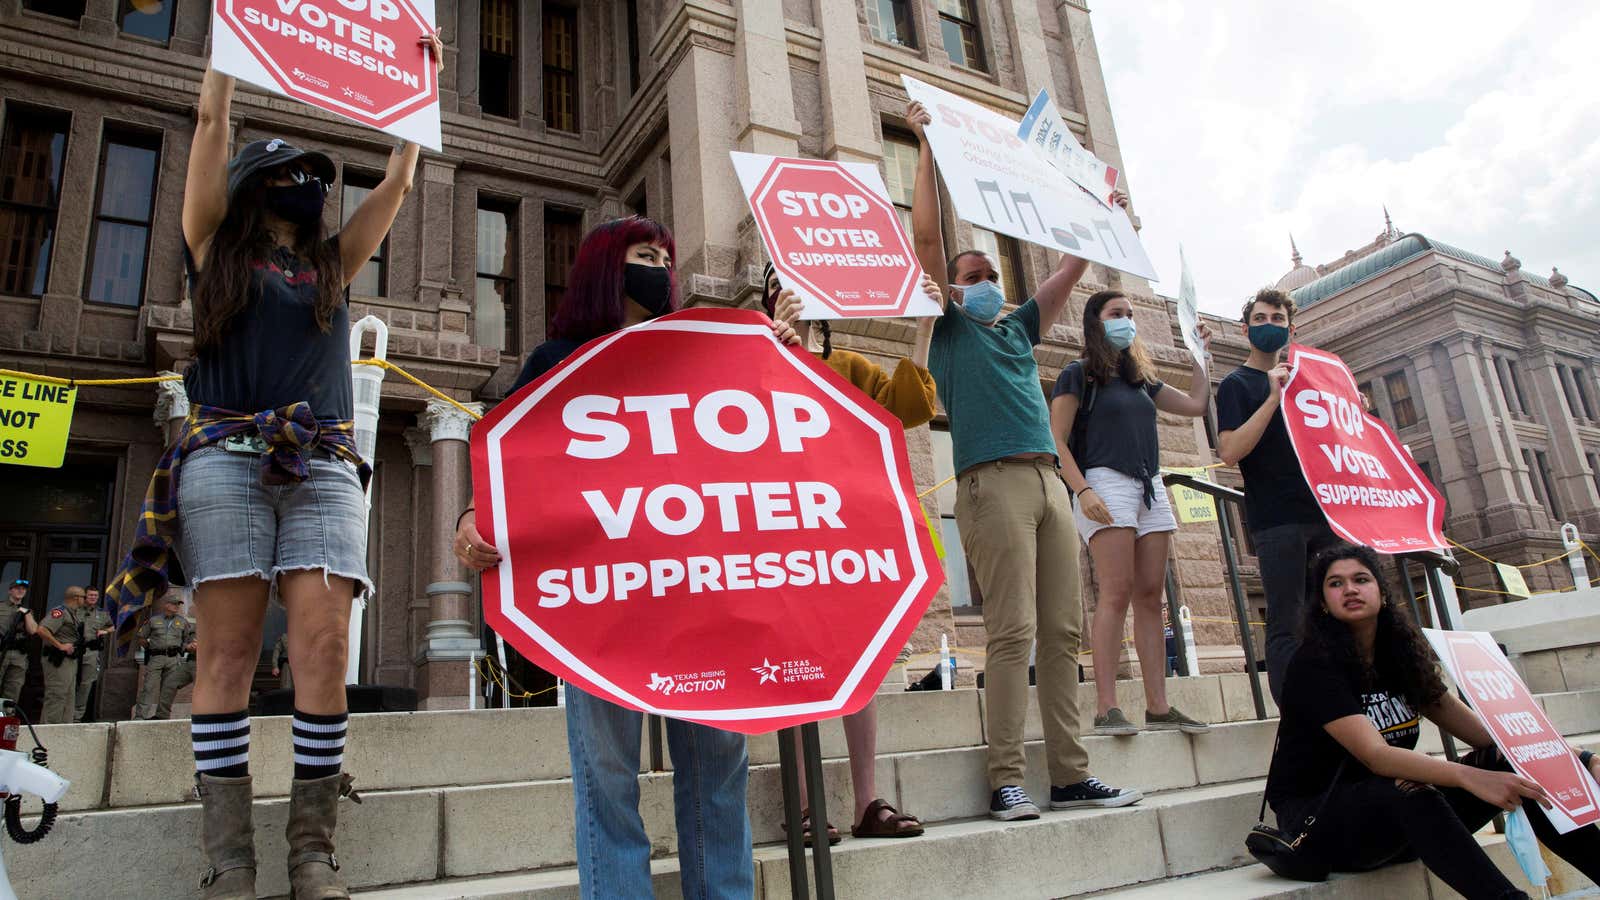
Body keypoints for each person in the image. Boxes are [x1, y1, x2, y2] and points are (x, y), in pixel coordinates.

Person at [100, 35, 442, 900]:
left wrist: (417, 93)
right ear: (258, 182)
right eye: (294, 173)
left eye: (318, 179)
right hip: (223, 456)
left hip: (322, 458)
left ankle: (311, 850)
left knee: (324, 644)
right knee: (228, 652)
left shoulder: (332, 266)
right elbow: (212, 116)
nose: (311, 189)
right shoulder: (212, 242)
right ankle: (230, 858)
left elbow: (397, 183)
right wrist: (227, 40)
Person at [452, 216, 796, 899]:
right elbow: (511, 465)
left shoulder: (701, 354)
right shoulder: (555, 362)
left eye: (666, 258)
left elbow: (758, 448)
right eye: (645, 255)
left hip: (700, 596)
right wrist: (471, 519)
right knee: (606, 776)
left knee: (718, 770)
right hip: (599, 610)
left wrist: (775, 356)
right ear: (606, 268)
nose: (661, 269)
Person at [906, 100, 1140, 820]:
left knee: (1064, 631)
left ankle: (1070, 775)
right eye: (970, 273)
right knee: (1012, 632)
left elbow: (1073, 265)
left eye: (989, 273)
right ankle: (1006, 777)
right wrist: (924, 144)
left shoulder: (1017, 328)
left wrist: (1104, 207)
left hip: (1046, 483)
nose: (983, 280)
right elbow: (926, 243)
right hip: (991, 483)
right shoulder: (950, 328)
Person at [1264, 543, 1600, 897]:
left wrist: (1580, 758)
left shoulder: (1399, 657)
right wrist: (1468, 776)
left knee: (1509, 767)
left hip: (1400, 818)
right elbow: (1376, 756)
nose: (1349, 589)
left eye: (1361, 579)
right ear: (1322, 602)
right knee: (1413, 788)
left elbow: (1488, 736)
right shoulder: (1314, 665)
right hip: (1321, 823)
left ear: (1382, 592)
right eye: (1335, 584)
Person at [768, 263, 937, 843]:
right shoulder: (757, 353)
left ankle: (868, 801)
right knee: (796, 662)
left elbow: (906, 410)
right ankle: (806, 803)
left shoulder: (849, 366)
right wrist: (774, 342)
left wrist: (922, 329)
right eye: (777, 283)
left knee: (857, 662)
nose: (790, 293)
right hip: (782, 529)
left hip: (845, 531)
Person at [1050, 289, 1213, 736]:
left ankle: (1158, 706)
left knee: (1151, 597)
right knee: (1115, 592)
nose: (1126, 320)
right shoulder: (1078, 374)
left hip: (1149, 485)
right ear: (1095, 322)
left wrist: (1199, 353)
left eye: (1130, 314)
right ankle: (1107, 707)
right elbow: (1056, 440)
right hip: (1104, 482)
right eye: (1116, 314)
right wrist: (1081, 490)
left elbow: (1197, 406)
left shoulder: (1141, 379)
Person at [1216, 288, 1338, 701]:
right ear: (1246, 327)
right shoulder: (1236, 385)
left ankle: (1343, 704)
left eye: (1278, 320)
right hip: (1277, 521)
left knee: (1335, 617)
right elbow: (1230, 452)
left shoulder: (1311, 384)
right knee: (1288, 622)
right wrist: (1273, 397)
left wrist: (1352, 407)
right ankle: (1297, 716)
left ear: (1292, 328)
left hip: (1328, 518)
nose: (1270, 326)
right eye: (1261, 319)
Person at [135, 593, 193, 720]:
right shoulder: (154, 620)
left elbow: (188, 640)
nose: (176, 607)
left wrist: (185, 647)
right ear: (166, 605)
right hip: (156, 658)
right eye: (174, 604)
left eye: (178, 604)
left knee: (168, 689)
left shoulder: (182, 622)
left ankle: (162, 715)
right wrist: (150, 649)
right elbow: (141, 637)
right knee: (149, 687)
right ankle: (140, 716)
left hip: (173, 658)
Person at [38, 585, 85, 724]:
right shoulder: (60, 612)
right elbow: (42, 630)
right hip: (57, 660)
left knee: (68, 698)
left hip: (70, 661)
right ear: (76, 597)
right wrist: (60, 646)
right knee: (56, 696)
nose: (85, 599)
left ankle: (63, 731)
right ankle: (48, 731)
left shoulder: (73, 613)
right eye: (83, 596)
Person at [74, 587, 115, 722]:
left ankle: (77, 717)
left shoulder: (102, 613)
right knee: (69, 682)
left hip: (90, 651)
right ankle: (66, 714)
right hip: (73, 650)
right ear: (84, 596)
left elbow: (113, 625)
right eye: (90, 595)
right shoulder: (75, 610)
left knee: (86, 684)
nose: (93, 598)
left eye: (95, 596)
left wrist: (105, 631)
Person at [0, 579, 39, 704]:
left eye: (23, 589)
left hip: (18, 654)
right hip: (2, 650)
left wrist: (26, 613)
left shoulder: (27, 611)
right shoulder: (1, 606)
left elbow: (33, 630)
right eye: (17, 588)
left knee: (13, 689)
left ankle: (7, 719)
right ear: (10, 590)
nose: (20, 590)